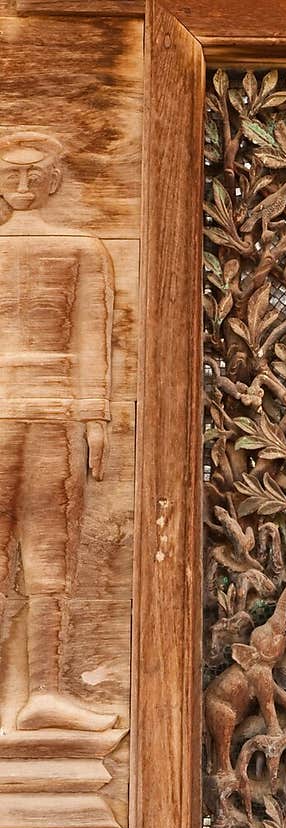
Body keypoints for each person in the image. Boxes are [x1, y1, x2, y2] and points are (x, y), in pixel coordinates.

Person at [0, 131, 115, 731]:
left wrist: (96, 416)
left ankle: (43, 688)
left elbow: (93, 333)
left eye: (30, 174)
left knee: (49, 552)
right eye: (9, 173)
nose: (20, 186)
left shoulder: (81, 248)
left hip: (51, 414)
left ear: (52, 180)